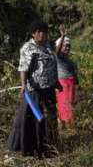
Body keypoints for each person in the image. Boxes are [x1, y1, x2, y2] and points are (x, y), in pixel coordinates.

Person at [8, 21, 61, 158]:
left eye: (43, 31)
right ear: (33, 33)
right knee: (35, 120)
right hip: (35, 90)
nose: (41, 34)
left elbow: (52, 63)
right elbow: (23, 68)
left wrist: (56, 82)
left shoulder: (47, 46)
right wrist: (23, 85)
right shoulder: (28, 48)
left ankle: (50, 147)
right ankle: (34, 150)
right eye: (38, 31)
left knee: (51, 118)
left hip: (49, 88)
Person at [55, 25, 78, 131]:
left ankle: (71, 131)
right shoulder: (59, 57)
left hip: (71, 85)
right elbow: (57, 51)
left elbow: (75, 76)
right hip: (63, 85)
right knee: (64, 108)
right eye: (65, 46)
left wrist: (78, 87)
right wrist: (63, 36)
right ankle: (66, 130)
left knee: (71, 107)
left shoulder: (70, 61)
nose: (67, 48)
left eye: (69, 46)